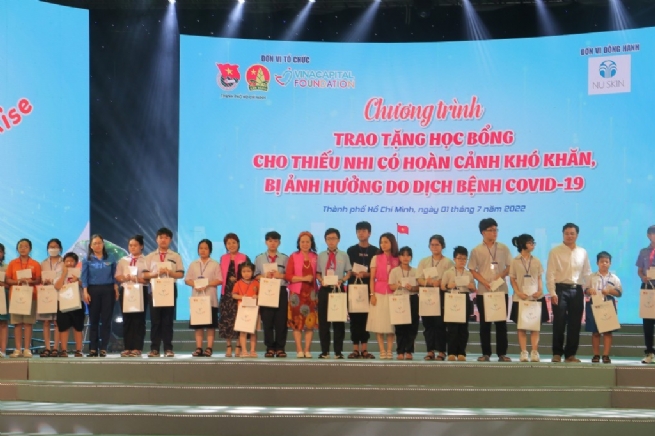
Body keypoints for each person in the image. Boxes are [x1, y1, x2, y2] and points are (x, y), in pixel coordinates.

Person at [468, 218, 513, 362]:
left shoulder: (504, 248)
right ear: (483, 232)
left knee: (501, 324)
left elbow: (510, 266)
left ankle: (502, 353)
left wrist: (500, 275)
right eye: (491, 230)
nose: (495, 232)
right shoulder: (476, 250)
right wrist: (484, 282)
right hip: (484, 291)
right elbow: (472, 270)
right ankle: (486, 353)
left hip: (500, 290)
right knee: (485, 324)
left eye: (496, 230)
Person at [546, 222, 592, 363]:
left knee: (575, 324)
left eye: (572, 233)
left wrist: (588, 288)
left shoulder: (582, 252)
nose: (569, 236)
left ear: (577, 235)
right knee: (559, 323)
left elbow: (587, 272)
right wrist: (552, 292)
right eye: (567, 233)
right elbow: (550, 273)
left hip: (577, 290)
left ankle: (570, 354)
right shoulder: (555, 251)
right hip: (560, 290)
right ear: (563, 234)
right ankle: (557, 353)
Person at [143, 227, 185, 358]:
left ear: (170, 240)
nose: (163, 240)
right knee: (155, 320)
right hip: (154, 289)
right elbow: (145, 274)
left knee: (167, 320)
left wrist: (171, 273)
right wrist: (155, 273)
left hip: (170, 288)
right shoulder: (150, 256)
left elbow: (180, 274)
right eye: (161, 237)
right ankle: (154, 348)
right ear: (156, 239)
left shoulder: (175, 256)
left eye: (166, 237)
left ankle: (168, 348)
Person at [509, 234, 548, 362]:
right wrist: (518, 292)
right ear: (522, 244)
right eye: (530, 242)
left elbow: (539, 278)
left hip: (535, 297)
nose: (533, 245)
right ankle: (524, 352)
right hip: (520, 297)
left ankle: (535, 352)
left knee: (534, 326)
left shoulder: (536, 260)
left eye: (533, 242)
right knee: (521, 327)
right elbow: (512, 279)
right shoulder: (515, 261)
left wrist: (540, 290)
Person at [417, 235, 454, 361]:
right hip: (427, 294)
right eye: (432, 245)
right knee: (428, 325)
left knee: (440, 324)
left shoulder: (448, 262)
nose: (434, 247)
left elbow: (451, 279)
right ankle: (430, 351)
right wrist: (428, 282)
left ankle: (442, 351)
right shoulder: (424, 261)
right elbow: (419, 279)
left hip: (442, 294)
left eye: (437, 244)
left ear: (442, 246)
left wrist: (441, 282)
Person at [316, 228, 352, 359]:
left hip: (338, 289)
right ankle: (325, 351)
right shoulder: (320, 256)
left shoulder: (344, 255)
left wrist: (342, 280)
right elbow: (318, 273)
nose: (331, 241)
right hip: (324, 289)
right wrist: (321, 280)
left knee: (338, 322)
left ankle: (338, 352)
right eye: (329, 238)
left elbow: (349, 272)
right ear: (325, 240)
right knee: (324, 322)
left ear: (338, 240)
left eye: (334, 238)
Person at [184, 239, 222, 357]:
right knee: (198, 326)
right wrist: (196, 284)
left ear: (210, 250)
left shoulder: (215, 264)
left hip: (210, 299)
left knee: (211, 326)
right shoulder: (193, 264)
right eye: (201, 248)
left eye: (206, 248)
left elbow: (219, 280)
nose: (203, 250)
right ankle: (199, 348)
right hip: (197, 298)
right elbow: (187, 280)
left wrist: (207, 284)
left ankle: (209, 348)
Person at [254, 231, 289, 358]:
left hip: (280, 290)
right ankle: (269, 347)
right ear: (266, 242)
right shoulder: (259, 258)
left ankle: (280, 348)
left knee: (281, 322)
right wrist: (264, 276)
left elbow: (289, 276)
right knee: (267, 321)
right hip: (266, 291)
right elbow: (255, 275)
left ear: (279, 243)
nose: (272, 243)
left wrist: (280, 275)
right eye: (270, 241)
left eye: (275, 241)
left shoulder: (285, 258)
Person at [82, 234, 118, 357]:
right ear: (91, 246)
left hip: (108, 290)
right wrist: (85, 291)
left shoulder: (110, 257)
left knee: (106, 320)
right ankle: (93, 348)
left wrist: (116, 289)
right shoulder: (87, 259)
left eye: (99, 243)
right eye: (95, 243)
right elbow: (84, 277)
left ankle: (104, 348)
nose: (97, 245)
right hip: (93, 290)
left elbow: (114, 275)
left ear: (103, 244)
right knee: (94, 320)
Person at [346, 221, 377, 359]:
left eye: (364, 231)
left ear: (369, 233)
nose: (361, 233)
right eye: (359, 231)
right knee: (354, 319)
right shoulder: (351, 250)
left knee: (365, 319)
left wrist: (367, 274)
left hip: (368, 288)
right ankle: (355, 349)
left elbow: (377, 272)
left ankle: (364, 349)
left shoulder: (375, 251)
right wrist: (353, 273)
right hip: (353, 287)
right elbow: (347, 269)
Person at [115, 235, 150, 357]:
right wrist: (125, 278)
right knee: (127, 319)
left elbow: (148, 279)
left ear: (141, 246)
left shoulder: (146, 260)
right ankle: (127, 347)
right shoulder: (123, 260)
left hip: (140, 290)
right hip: (126, 290)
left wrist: (137, 279)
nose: (132, 247)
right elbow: (117, 276)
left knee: (139, 320)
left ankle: (137, 347)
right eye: (130, 245)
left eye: (135, 245)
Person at [366, 232, 399, 359]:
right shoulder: (376, 258)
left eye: (386, 242)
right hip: (379, 292)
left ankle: (389, 350)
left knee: (391, 323)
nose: (383, 245)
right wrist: (372, 294)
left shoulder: (397, 258)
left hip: (393, 293)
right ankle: (381, 350)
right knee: (378, 322)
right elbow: (372, 278)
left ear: (392, 243)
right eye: (381, 242)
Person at [585, 251, 622, 364]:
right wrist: (589, 290)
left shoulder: (614, 278)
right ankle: (596, 355)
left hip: (608, 304)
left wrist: (610, 291)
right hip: (595, 303)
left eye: (607, 261)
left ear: (610, 263)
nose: (604, 263)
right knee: (595, 332)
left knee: (608, 332)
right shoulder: (591, 277)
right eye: (602, 261)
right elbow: (585, 290)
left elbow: (619, 293)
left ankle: (606, 355)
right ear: (597, 263)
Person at [6, 239, 41, 358]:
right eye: (20, 246)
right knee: (17, 323)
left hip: (31, 296)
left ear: (30, 249)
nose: (23, 248)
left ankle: (26, 349)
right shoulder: (12, 263)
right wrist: (18, 281)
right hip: (15, 296)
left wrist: (30, 281)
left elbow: (38, 279)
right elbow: (8, 279)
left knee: (28, 323)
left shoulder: (35, 263)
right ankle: (17, 349)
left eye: (26, 246)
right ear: (17, 249)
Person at [286, 231, 318, 358]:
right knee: (297, 323)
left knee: (310, 324)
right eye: (302, 242)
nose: (305, 244)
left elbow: (319, 274)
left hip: (311, 294)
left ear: (311, 243)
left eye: (307, 242)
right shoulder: (293, 256)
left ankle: (307, 349)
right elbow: (288, 276)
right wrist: (303, 278)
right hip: (296, 294)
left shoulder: (315, 256)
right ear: (298, 243)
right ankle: (299, 349)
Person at [441, 246, 476, 361]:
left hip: (464, 298)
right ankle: (451, 352)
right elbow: (442, 286)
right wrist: (449, 285)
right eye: (459, 258)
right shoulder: (448, 273)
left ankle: (461, 352)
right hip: (452, 298)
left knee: (463, 328)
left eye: (464, 259)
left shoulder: (468, 273)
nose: (462, 261)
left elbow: (473, 289)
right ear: (454, 259)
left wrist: (471, 286)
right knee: (452, 328)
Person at [218, 233, 250, 357]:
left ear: (238, 243)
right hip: (226, 293)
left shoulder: (244, 257)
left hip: (241, 293)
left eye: (234, 242)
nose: (231, 245)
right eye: (228, 243)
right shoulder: (223, 258)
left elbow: (249, 273)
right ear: (225, 245)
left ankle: (238, 346)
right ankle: (228, 346)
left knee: (239, 320)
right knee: (226, 320)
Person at [389, 246, 419, 360]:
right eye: (403, 255)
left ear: (411, 257)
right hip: (399, 299)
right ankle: (400, 351)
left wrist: (412, 288)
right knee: (400, 326)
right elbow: (391, 286)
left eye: (408, 255)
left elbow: (419, 287)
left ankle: (409, 351)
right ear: (399, 257)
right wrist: (399, 285)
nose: (405, 258)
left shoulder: (415, 271)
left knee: (412, 326)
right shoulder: (395, 271)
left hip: (412, 298)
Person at [55, 252, 84, 357]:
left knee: (78, 327)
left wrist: (78, 281)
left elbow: (86, 285)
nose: (69, 263)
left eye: (72, 261)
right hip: (63, 303)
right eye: (67, 261)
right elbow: (57, 286)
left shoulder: (80, 272)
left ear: (76, 262)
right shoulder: (59, 273)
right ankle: (64, 350)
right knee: (63, 327)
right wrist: (64, 274)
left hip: (77, 303)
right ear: (64, 262)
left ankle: (79, 350)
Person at [39, 238, 64, 357]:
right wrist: (44, 281)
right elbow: (39, 278)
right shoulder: (43, 263)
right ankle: (47, 347)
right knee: (46, 322)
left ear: (60, 248)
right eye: (51, 247)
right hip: (46, 295)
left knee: (57, 322)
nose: (53, 249)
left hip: (59, 294)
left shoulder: (64, 262)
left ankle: (55, 348)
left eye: (55, 246)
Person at [636, 225, 655, 364]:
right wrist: (643, 277)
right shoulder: (643, 252)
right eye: (653, 234)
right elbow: (640, 270)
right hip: (648, 287)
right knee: (648, 323)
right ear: (649, 235)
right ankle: (649, 353)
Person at [233, 262, 259, 358]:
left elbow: (261, 295)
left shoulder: (256, 283)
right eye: (243, 271)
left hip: (254, 310)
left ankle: (252, 350)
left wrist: (257, 296)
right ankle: (244, 350)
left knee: (253, 331)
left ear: (252, 272)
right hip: (242, 310)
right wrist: (241, 297)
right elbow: (234, 295)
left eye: (248, 271)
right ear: (240, 272)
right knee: (243, 331)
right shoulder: (238, 283)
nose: (246, 273)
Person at [0, 243, 9, 358]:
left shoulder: (7, 267)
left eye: (0, 251)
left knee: (3, 323)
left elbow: (10, 284)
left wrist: (3, 284)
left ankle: (3, 350)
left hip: (3, 297)